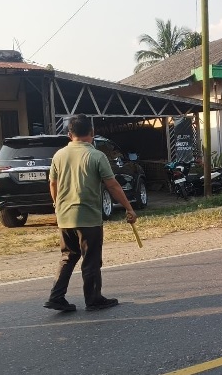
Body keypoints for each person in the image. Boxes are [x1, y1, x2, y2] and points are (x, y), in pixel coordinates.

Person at [43, 114, 138, 312]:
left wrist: (56, 204)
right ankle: (93, 299)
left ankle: (56, 297)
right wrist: (129, 208)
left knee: (68, 256)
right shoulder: (96, 156)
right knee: (91, 258)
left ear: (70, 134)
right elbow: (112, 185)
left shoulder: (59, 155)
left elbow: (53, 183)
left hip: (64, 216)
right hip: (88, 217)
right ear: (92, 133)